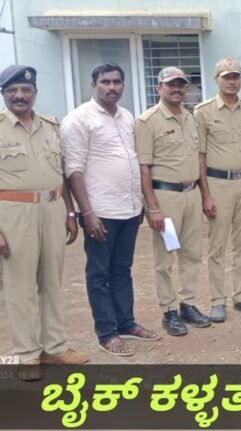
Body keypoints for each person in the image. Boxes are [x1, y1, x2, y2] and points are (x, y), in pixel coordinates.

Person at [61, 62, 160, 356]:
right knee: (99, 273)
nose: (112, 87)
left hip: (128, 209)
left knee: (122, 269)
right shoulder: (78, 120)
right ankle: (106, 333)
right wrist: (87, 213)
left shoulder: (126, 117)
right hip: (100, 211)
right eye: (105, 82)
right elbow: (73, 170)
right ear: (94, 85)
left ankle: (126, 323)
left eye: (117, 82)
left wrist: (139, 203)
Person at [0, 65, 89, 380]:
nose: (20, 96)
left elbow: (61, 173)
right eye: (12, 90)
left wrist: (70, 213)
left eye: (26, 90)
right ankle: (27, 355)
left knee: (52, 282)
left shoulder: (51, 125)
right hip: (14, 213)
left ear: (35, 93)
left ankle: (54, 347)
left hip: (52, 209)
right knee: (20, 288)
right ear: (4, 94)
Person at [135, 66, 211, 336]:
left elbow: (199, 160)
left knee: (191, 253)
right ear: (159, 88)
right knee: (167, 255)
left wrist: (205, 194)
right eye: (171, 84)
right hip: (166, 200)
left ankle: (187, 304)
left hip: (191, 196)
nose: (176, 89)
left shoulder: (190, 118)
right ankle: (169, 310)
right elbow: (143, 168)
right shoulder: (148, 121)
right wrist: (153, 207)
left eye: (181, 84)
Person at [194, 58, 241, 322]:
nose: (232, 82)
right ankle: (217, 300)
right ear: (216, 80)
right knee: (218, 245)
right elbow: (200, 155)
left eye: (235, 76)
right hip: (217, 184)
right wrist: (205, 194)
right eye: (226, 77)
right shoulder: (203, 112)